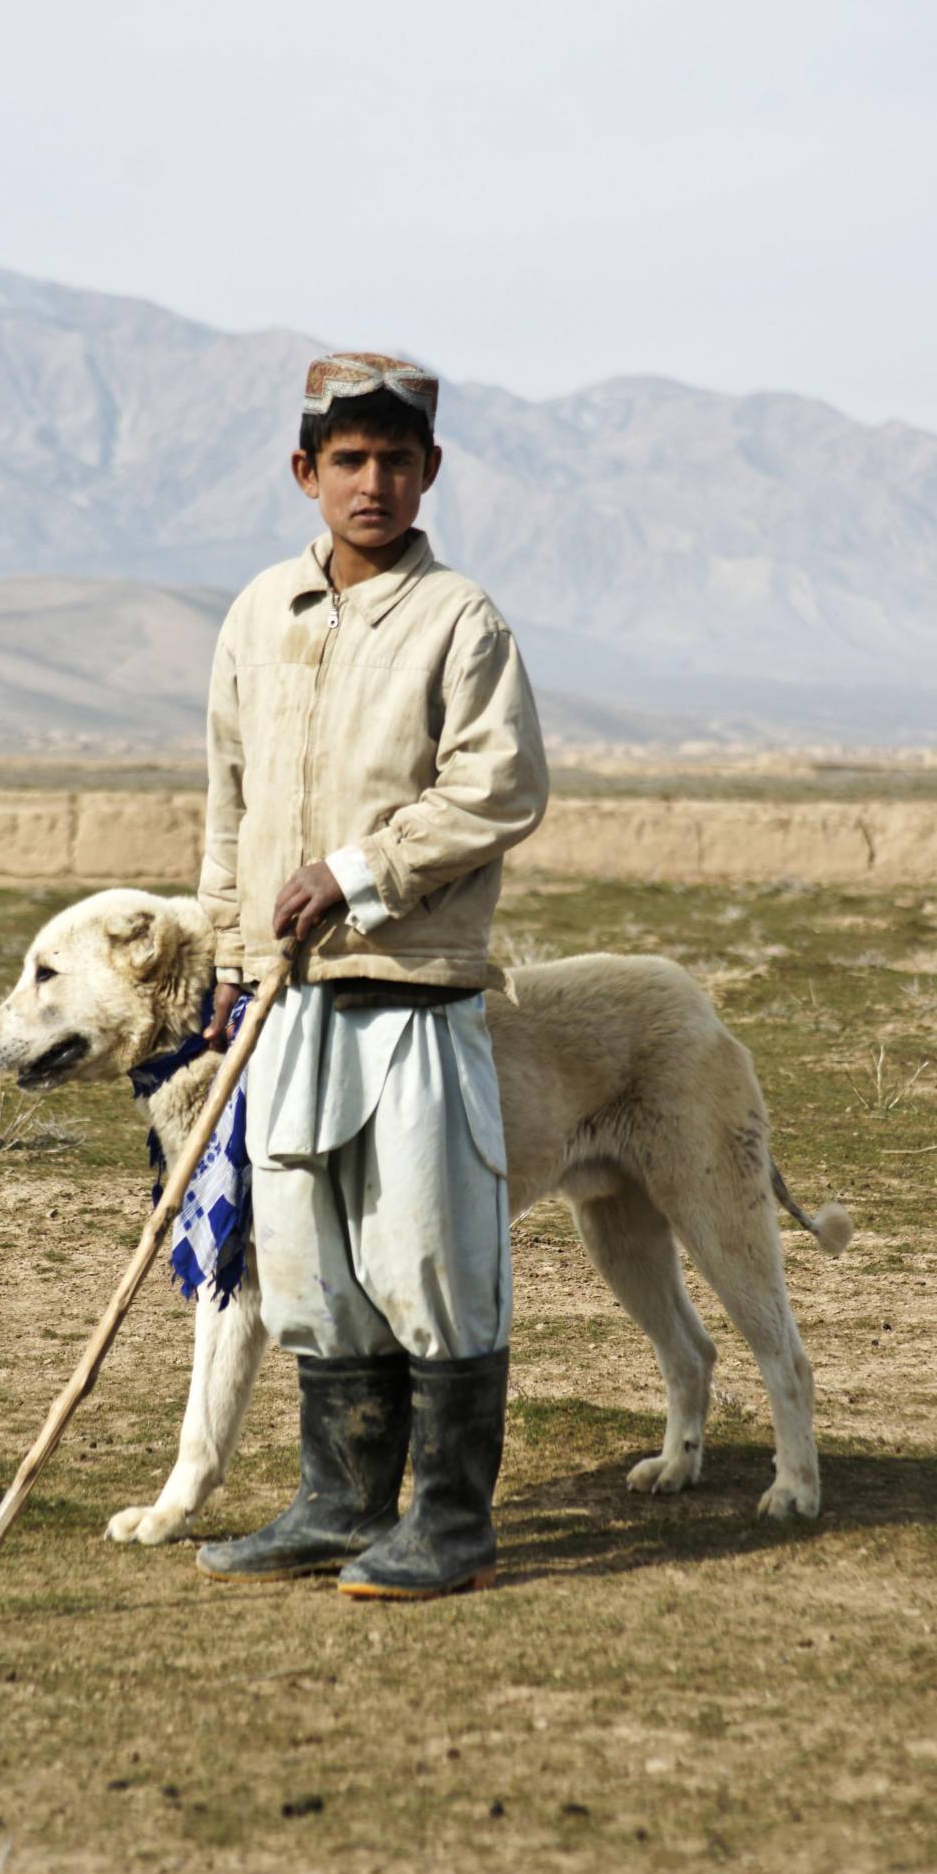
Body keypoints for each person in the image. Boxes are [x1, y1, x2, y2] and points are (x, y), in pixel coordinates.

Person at [194, 351, 548, 1599]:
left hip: (412, 983)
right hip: (289, 998)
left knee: (429, 1250)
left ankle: (450, 1520)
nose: (375, 481)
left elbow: (498, 792)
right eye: (350, 459)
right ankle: (339, 1502)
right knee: (304, 1250)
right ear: (306, 471)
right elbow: (230, 803)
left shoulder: (461, 620)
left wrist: (353, 871)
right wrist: (232, 956)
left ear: (431, 470)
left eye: (399, 459)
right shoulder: (257, 616)